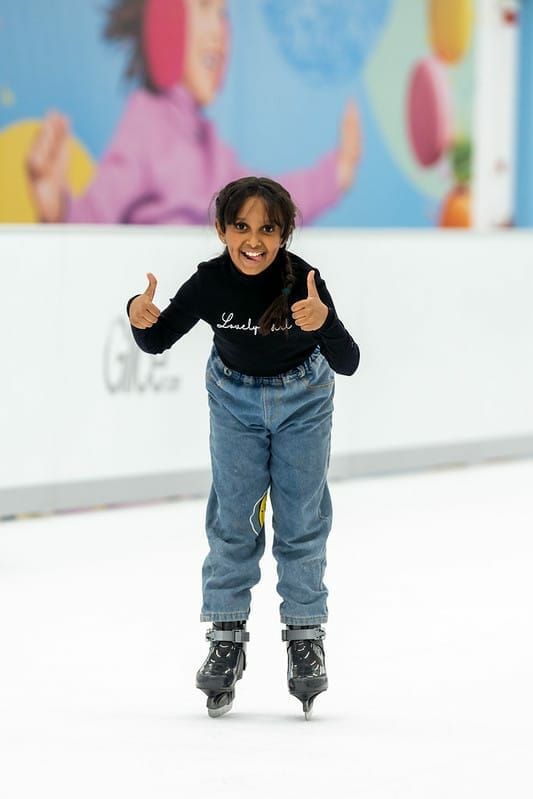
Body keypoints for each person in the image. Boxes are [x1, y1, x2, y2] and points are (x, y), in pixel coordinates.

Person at [127, 176, 360, 718]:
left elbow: (347, 361)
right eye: (241, 227)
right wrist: (138, 316)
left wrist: (323, 323)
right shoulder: (209, 283)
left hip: (304, 397)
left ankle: (305, 636)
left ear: (284, 235)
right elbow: (157, 339)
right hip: (233, 401)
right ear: (221, 230)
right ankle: (225, 638)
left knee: (301, 517)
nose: (253, 240)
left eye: (268, 229)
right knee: (234, 518)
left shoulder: (304, 280)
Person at [26, 0, 360, 225]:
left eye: (223, 14)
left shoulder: (210, 146)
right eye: (204, 7)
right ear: (167, 20)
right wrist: (57, 207)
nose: (219, 32)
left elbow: (261, 203)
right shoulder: (145, 128)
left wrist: (335, 175)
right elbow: (96, 215)